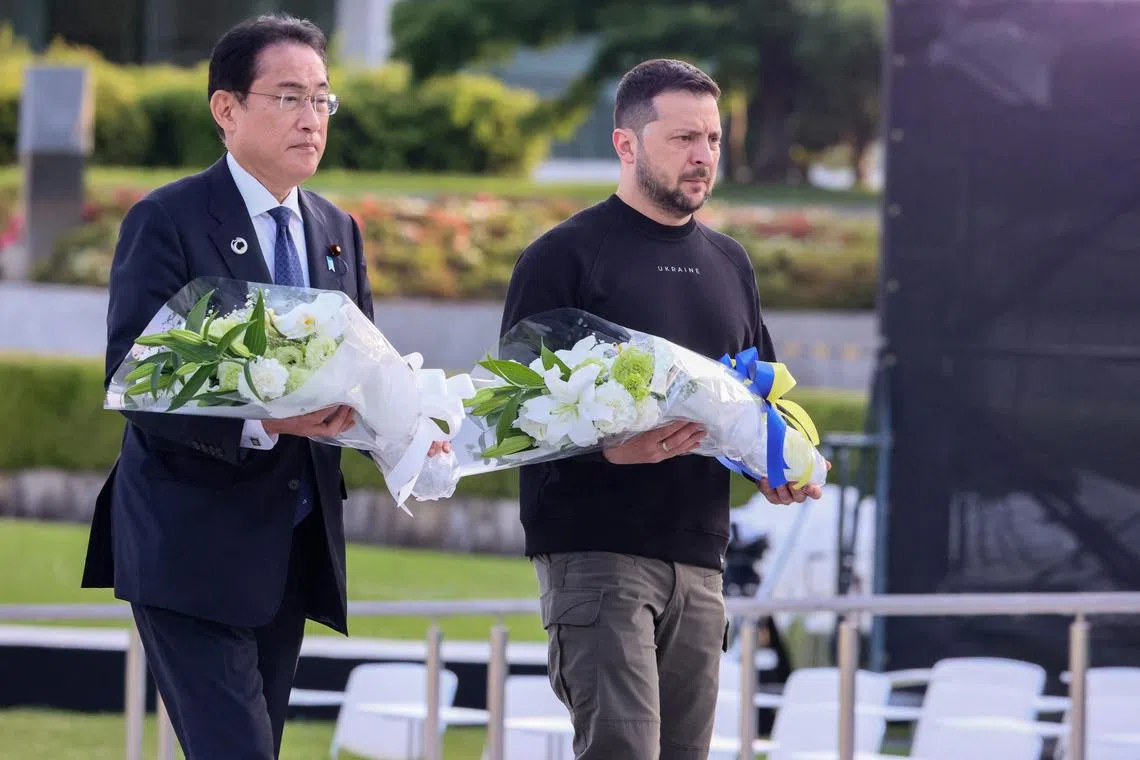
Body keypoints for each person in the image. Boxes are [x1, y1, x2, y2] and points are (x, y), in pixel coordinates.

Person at [80, 14, 442, 760]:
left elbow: (361, 368)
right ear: (227, 109)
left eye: (322, 100)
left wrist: (409, 431)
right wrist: (265, 423)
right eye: (288, 98)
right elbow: (135, 374)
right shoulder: (169, 219)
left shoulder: (337, 228)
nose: (311, 119)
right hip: (188, 548)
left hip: (291, 548)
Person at [500, 58, 825, 758]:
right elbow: (511, 413)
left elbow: (753, 398)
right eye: (683, 138)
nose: (703, 156)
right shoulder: (563, 257)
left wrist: (773, 465)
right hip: (596, 553)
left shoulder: (731, 262)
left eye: (712, 138)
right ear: (626, 144)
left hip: (701, 556)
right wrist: (608, 449)